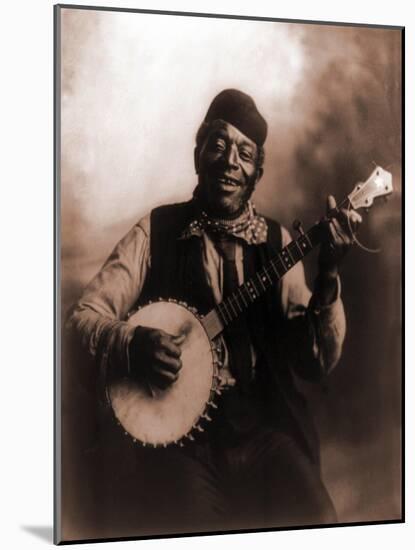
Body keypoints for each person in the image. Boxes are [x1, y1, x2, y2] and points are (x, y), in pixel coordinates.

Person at [67, 89, 361, 535]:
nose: (229, 161)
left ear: (256, 173)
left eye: (245, 153)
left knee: (319, 522)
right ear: (198, 152)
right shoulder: (155, 231)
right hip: (180, 448)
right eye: (218, 145)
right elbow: (81, 320)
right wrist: (132, 343)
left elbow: (316, 362)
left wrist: (328, 276)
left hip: (265, 434)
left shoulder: (279, 243)